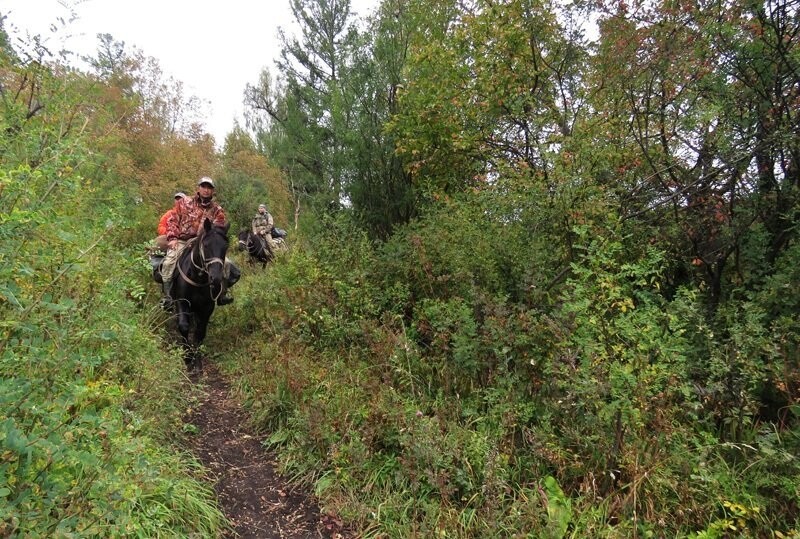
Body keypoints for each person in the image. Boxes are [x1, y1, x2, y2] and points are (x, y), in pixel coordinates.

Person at [161, 177, 236, 306]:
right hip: (183, 240)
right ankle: (168, 297)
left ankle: (222, 294)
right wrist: (172, 238)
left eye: (209, 188)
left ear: (213, 191)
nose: (206, 190)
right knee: (169, 262)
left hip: (205, 243)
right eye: (203, 187)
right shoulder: (185, 202)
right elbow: (172, 220)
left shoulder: (217, 210)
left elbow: (218, 230)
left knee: (227, 264)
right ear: (198, 188)